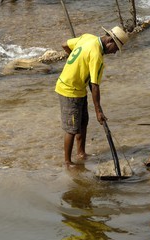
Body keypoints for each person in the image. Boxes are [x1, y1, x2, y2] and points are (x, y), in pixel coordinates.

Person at [55, 26, 129, 166]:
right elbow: (95, 85)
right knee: (71, 128)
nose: (114, 53)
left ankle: (81, 153)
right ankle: (67, 162)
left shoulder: (88, 37)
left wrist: (77, 64)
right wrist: (98, 111)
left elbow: (65, 44)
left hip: (79, 89)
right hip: (69, 89)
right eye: (116, 49)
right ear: (110, 42)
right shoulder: (97, 56)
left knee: (82, 122)